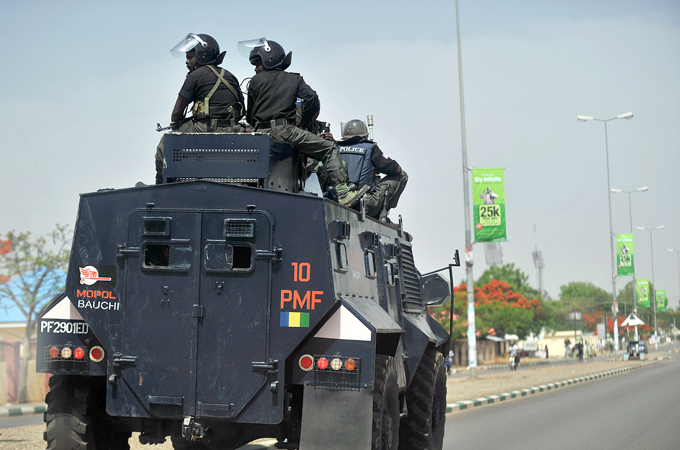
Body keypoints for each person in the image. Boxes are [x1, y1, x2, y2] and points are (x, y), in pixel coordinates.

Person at [239, 38, 367, 207]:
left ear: (268, 60)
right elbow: (311, 98)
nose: (256, 68)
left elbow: (250, 116)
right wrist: (304, 122)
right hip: (286, 131)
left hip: (260, 133)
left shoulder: (254, 81)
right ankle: (343, 192)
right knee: (329, 149)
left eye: (258, 63)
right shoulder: (294, 79)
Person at [155, 33, 245, 184]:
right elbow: (242, 109)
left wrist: (179, 123)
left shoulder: (195, 76)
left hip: (205, 128)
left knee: (165, 143)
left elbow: (176, 113)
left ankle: (161, 186)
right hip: (233, 129)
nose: (186, 61)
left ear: (202, 55)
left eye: (190, 57)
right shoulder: (230, 76)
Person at [334, 119, 408, 220]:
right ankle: (383, 213)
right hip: (364, 203)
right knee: (402, 175)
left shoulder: (334, 148)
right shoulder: (370, 148)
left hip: (338, 200)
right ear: (365, 135)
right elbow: (397, 169)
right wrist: (375, 165)